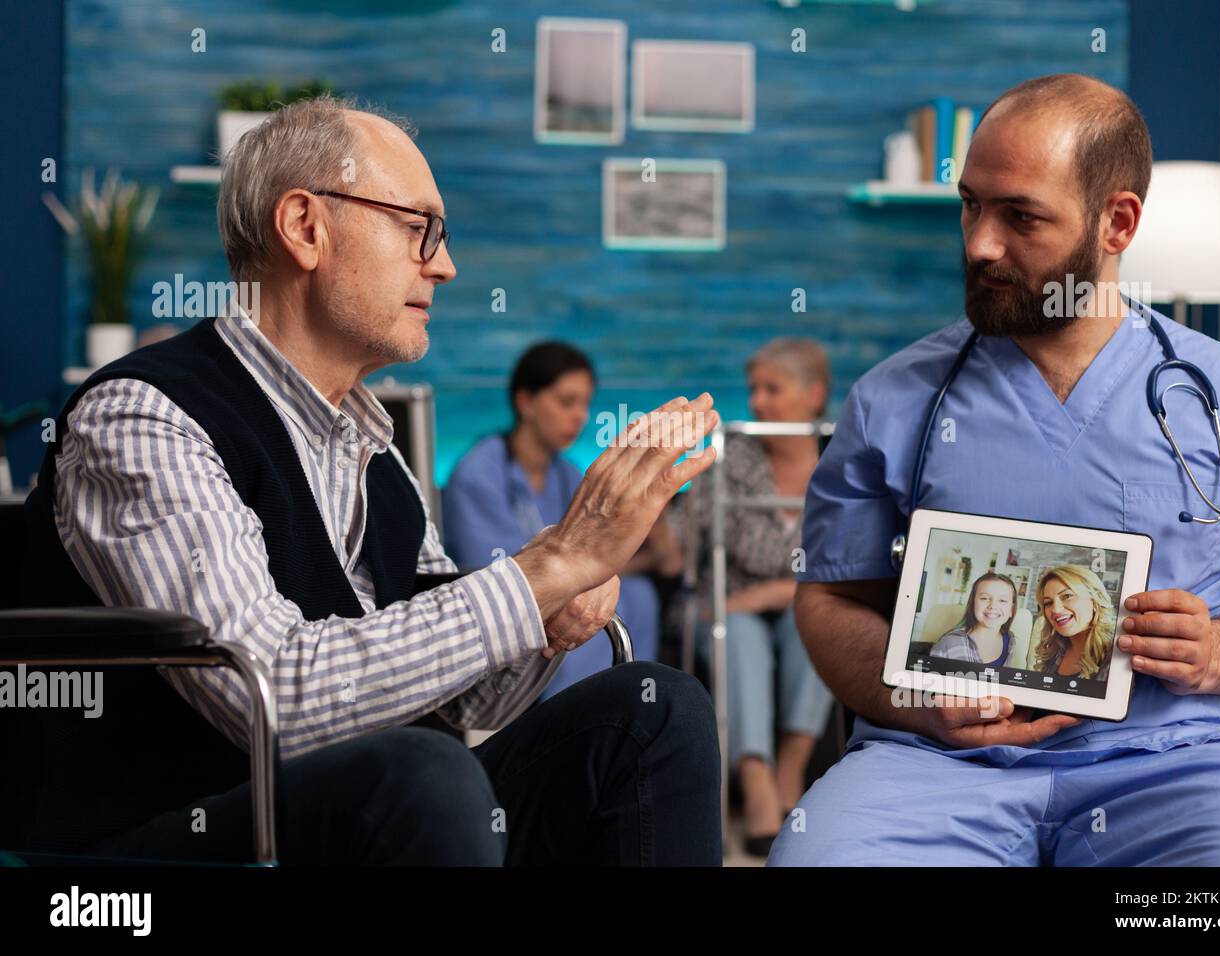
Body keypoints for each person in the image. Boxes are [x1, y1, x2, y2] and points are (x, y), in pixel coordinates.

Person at [17, 96, 723, 865]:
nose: (445, 265)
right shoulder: (145, 416)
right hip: (161, 840)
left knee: (656, 711)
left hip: (377, 804)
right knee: (422, 774)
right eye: (418, 227)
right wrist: (543, 569)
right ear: (305, 227)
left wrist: (550, 611)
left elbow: (456, 705)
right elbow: (273, 697)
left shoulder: (376, 452)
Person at [769, 73, 1220, 866]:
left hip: (1172, 766)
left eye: (1020, 216)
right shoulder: (893, 398)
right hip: (934, 766)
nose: (980, 243)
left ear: (1116, 223)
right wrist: (910, 702)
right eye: (971, 204)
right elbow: (831, 598)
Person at [674, 337, 835, 856]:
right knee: (736, 633)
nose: (757, 402)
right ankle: (758, 782)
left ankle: (792, 766)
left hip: (795, 602)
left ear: (814, 394)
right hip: (728, 607)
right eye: (754, 390)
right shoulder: (731, 457)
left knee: (816, 617)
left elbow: (846, 568)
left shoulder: (842, 463)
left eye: (772, 389)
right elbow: (690, 547)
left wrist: (775, 592)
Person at [442, 342, 672, 698]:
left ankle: (633, 702)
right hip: (500, 613)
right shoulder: (478, 474)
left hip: (555, 594)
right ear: (526, 403)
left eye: (584, 404)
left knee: (639, 595)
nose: (580, 416)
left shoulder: (567, 473)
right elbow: (493, 571)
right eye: (567, 402)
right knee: (581, 605)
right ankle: (586, 714)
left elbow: (596, 558)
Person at [1031, 565, 1115, 681]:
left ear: (1094, 601)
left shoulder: (1115, 654)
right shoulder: (1053, 650)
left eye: (1067, 596)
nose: (1056, 609)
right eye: (1048, 603)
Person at [929, 572, 1020, 666]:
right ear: (973, 604)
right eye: (984, 598)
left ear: (1011, 610)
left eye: (1002, 600)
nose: (993, 606)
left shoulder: (1010, 640)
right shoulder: (950, 644)